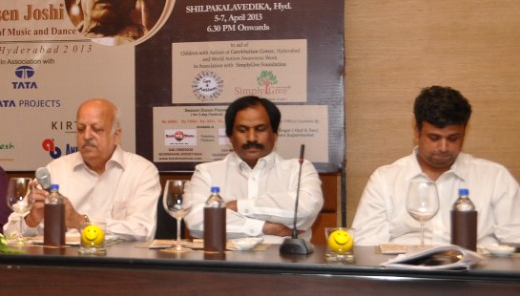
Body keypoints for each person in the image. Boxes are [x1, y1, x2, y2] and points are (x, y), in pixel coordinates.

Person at [352, 86, 520, 247]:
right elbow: (366, 245)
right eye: (434, 137)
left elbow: (515, 240)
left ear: (464, 132)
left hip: (475, 273)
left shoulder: (495, 177)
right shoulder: (385, 180)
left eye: (453, 138)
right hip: (409, 272)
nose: (443, 147)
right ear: (417, 131)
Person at [9, 98, 160, 241]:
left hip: (119, 263)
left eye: (97, 129)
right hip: (63, 262)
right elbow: (10, 233)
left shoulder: (141, 171)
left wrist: (80, 221)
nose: (87, 136)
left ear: (116, 136)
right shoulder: (56, 169)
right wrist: (32, 219)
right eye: (81, 129)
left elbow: (143, 231)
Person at [185, 96, 323, 244]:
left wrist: (236, 206)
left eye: (260, 129)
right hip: (225, 263)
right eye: (242, 130)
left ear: (275, 134)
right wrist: (265, 227)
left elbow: (305, 209)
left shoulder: (299, 169)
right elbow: (197, 221)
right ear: (230, 136)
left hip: (286, 262)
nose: (252, 138)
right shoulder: (207, 173)